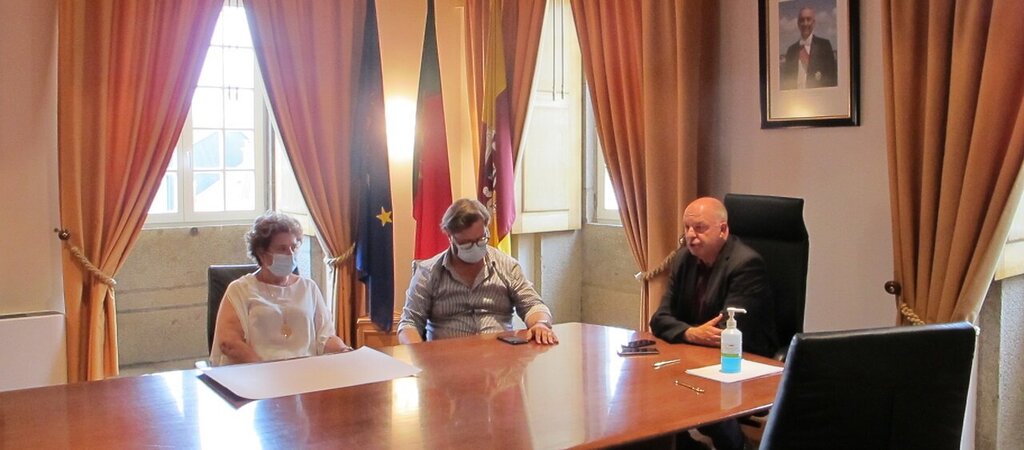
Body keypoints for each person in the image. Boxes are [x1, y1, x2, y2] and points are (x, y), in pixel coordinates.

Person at [650, 197, 777, 450]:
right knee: (652, 391)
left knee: (699, 393)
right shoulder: (683, 259)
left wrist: (686, 332)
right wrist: (690, 333)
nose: (690, 235)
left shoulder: (746, 264)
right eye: (687, 228)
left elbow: (725, 331)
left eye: (699, 228)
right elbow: (659, 319)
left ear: (723, 230)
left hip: (742, 355)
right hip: (694, 351)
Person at [397, 198, 558, 345]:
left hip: (500, 357)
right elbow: (409, 323)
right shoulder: (428, 273)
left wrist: (540, 324)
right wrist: (418, 353)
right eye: (466, 243)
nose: (475, 247)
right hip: (449, 358)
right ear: (450, 236)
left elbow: (533, 305)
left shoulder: (507, 266)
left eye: (481, 239)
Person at [210, 212, 350, 366]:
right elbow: (229, 342)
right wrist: (265, 369)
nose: (290, 254)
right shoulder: (240, 289)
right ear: (262, 253)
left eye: (293, 247)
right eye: (282, 249)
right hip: (258, 372)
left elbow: (326, 338)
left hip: (306, 370)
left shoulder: (309, 288)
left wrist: (344, 351)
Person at [780, 6, 837, 90]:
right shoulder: (791, 50)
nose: (805, 23)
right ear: (798, 24)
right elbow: (787, 80)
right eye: (802, 20)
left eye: (808, 19)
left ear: (813, 23)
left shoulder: (824, 46)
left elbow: (832, 79)